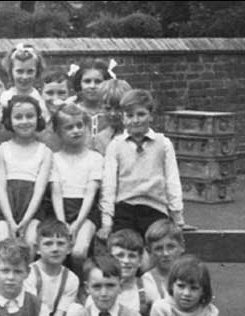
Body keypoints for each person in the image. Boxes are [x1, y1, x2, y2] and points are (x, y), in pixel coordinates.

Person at [143, 220, 245, 316]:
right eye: (159, 249)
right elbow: (165, 314)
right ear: (150, 251)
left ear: (182, 247)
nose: (165, 253)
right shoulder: (149, 278)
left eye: (170, 247)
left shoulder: (193, 272)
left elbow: (205, 309)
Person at [98, 89, 185, 241]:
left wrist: (177, 218)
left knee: (157, 246)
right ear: (123, 118)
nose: (135, 120)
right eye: (130, 115)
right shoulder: (116, 145)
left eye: (141, 114)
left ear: (150, 116)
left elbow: (172, 182)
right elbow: (109, 185)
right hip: (125, 209)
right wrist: (106, 222)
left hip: (155, 208)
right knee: (125, 247)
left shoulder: (163, 144)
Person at [0, 95, 52, 256]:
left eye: (30, 116)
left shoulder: (45, 152)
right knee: (2, 241)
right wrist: (11, 221)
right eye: (18, 117)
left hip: (32, 208)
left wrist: (25, 220)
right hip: (6, 208)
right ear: (9, 120)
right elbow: (0, 188)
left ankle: (28, 280)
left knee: (31, 242)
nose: (24, 121)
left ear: (38, 118)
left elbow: (39, 190)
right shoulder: (2, 149)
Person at [49, 104, 103, 277]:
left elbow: (91, 192)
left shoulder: (95, 158)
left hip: (86, 212)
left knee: (79, 252)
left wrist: (78, 223)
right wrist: (61, 222)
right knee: (57, 251)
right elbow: (56, 192)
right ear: (58, 132)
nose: (76, 130)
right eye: (69, 127)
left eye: (80, 125)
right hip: (60, 210)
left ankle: (82, 284)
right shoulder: (54, 159)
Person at [23, 220, 79, 316]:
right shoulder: (29, 274)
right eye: (48, 243)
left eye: (60, 243)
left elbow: (60, 314)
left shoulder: (71, 279)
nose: (55, 249)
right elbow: (31, 311)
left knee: (76, 309)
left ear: (69, 248)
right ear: (37, 248)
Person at [97, 229, 161, 316]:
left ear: (139, 261)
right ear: (109, 259)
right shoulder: (99, 288)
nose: (126, 261)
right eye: (120, 255)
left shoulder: (146, 287)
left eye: (132, 256)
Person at [0, 43, 49, 122]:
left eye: (30, 71)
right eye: (19, 71)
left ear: (37, 72)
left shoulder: (40, 100)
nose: (25, 77)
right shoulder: (4, 98)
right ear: (11, 71)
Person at [70, 59, 114, 139]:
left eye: (98, 82)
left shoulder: (112, 113)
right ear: (79, 83)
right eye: (87, 81)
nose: (92, 86)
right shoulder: (72, 112)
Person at [92, 78, 132, 155]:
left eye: (118, 108)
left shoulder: (138, 133)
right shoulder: (101, 139)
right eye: (108, 108)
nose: (113, 113)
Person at [36, 68, 72, 152]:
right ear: (41, 93)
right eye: (49, 93)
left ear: (69, 93)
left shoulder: (75, 118)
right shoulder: (35, 120)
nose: (55, 98)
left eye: (61, 93)